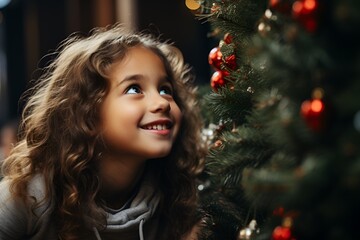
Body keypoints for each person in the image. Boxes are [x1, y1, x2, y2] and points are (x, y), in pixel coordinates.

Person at [0, 24, 204, 240]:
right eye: (134, 89)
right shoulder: (31, 195)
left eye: (165, 89)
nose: (161, 102)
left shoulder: (177, 197)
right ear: (87, 112)